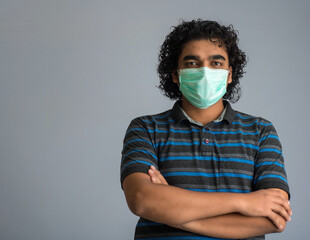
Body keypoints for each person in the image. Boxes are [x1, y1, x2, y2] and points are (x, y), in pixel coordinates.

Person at [120, 19, 292, 239]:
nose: (204, 71)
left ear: (229, 74)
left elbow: (273, 218)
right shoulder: (145, 128)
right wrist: (245, 202)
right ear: (176, 74)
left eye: (216, 63)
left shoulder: (261, 131)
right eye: (192, 63)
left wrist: (172, 213)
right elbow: (142, 199)